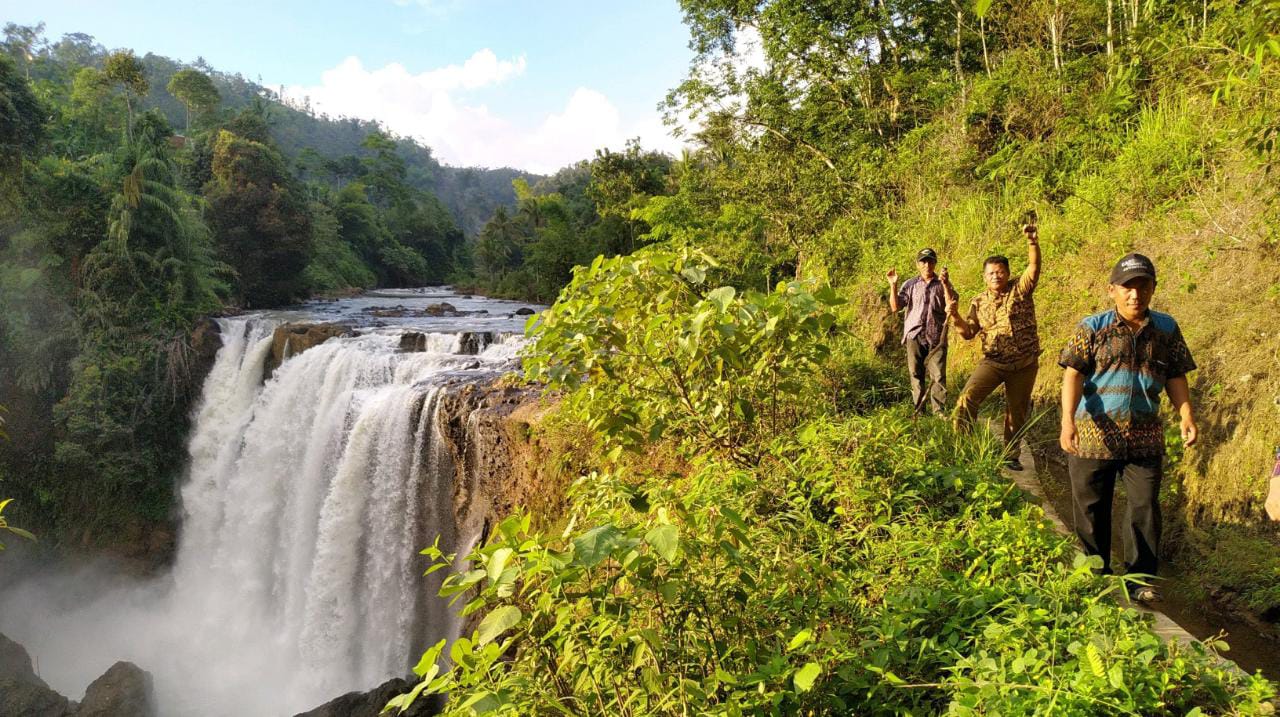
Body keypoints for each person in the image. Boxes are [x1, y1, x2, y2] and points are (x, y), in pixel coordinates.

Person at [1058, 253, 1198, 602]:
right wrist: (1067, 421)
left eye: (1143, 286)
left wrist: (1186, 415)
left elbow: (1176, 374)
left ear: (1153, 289)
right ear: (1112, 291)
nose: (1135, 294)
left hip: (1145, 436)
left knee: (1144, 507)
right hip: (1093, 435)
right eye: (1127, 287)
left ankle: (1139, 581)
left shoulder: (1166, 329)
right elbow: (1072, 373)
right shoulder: (1091, 327)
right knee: (1091, 509)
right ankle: (1095, 575)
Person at [948, 225, 1042, 469]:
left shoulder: (1020, 290)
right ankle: (964, 448)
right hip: (993, 362)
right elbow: (968, 332)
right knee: (966, 399)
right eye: (991, 273)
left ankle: (1010, 456)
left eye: (1000, 272)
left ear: (1008, 273)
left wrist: (1032, 243)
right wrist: (955, 316)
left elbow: (1033, 268)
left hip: (1024, 363)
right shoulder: (978, 302)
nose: (996, 276)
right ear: (984, 277)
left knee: (1017, 411)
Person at [887, 248, 957, 415]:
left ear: (935, 263)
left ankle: (939, 412)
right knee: (915, 374)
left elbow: (952, 304)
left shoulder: (943, 284)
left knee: (938, 375)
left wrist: (946, 284)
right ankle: (919, 411)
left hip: (937, 336)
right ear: (917, 264)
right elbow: (895, 307)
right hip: (915, 335)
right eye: (923, 261)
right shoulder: (909, 285)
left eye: (931, 261)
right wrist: (893, 284)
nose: (927, 265)